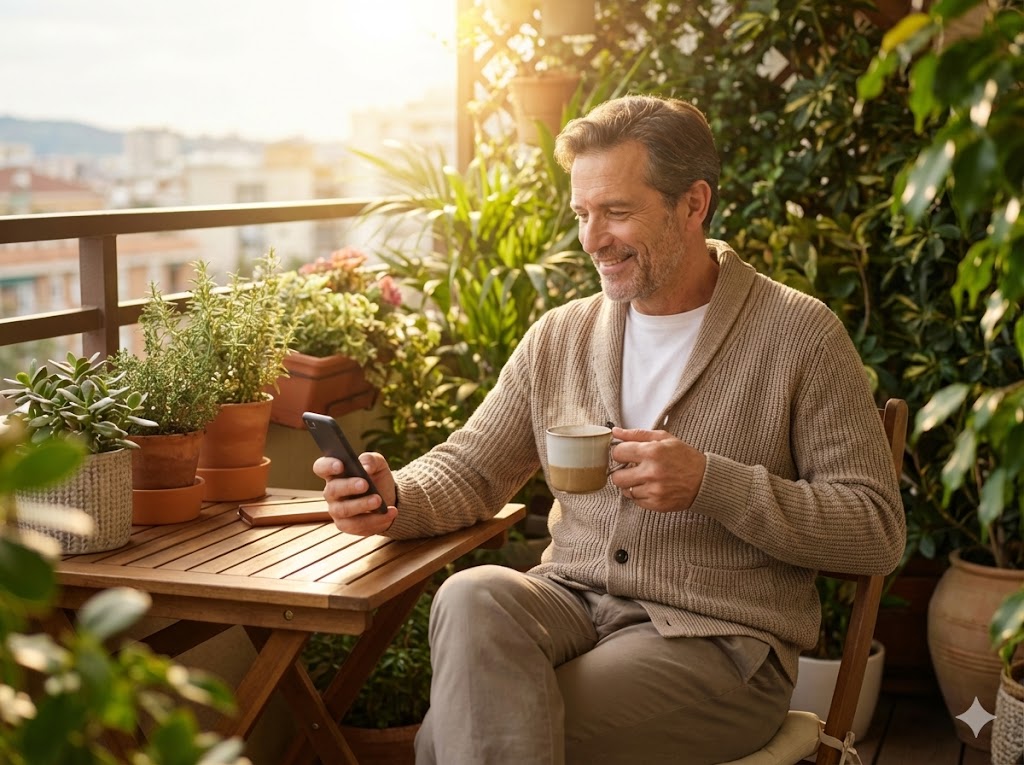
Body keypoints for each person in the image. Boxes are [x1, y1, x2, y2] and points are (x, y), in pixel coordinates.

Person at [313, 95, 905, 764]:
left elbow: (874, 529)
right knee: (473, 594)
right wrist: (392, 496)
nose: (592, 240)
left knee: (463, 735)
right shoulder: (560, 336)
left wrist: (713, 482)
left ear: (693, 203)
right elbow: (473, 468)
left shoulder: (799, 334)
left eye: (617, 212)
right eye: (583, 214)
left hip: (716, 643)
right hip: (572, 604)